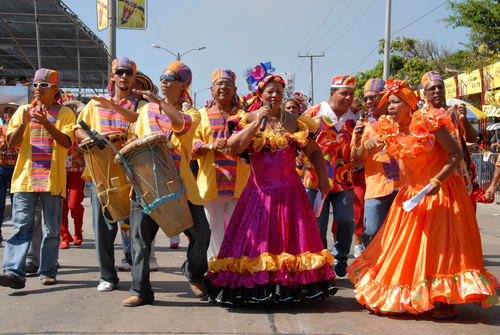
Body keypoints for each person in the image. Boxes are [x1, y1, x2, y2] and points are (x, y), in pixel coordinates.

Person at [347, 80, 499, 318]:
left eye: (395, 102)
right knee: (409, 250)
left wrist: (437, 181)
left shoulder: (430, 122)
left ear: (410, 104)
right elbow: (358, 157)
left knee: (440, 247)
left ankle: (445, 300)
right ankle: (414, 296)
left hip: (442, 192)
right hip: (411, 195)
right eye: (387, 103)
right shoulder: (388, 128)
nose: (389, 108)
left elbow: (455, 153)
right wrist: (358, 142)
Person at [207, 70, 336, 306]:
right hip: (258, 193)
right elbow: (234, 148)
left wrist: (324, 179)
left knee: (291, 242)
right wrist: (257, 122)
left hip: (291, 192)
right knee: (258, 244)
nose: (275, 95)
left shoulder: (296, 121)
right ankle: (257, 288)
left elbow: (314, 151)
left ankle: (288, 287)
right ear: (261, 94)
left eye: (279, 91)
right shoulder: (247, 118)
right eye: (270, 91)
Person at [122, 61, 210, 307]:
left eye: (170, 78)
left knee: (202, 234)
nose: (164, 81)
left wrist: (159, 102)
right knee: (140, 240)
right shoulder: (146, 110)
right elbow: (135, 140)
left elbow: (182, 125)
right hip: (147, 185)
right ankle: (141, 290)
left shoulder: (192, 112)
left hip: (181, 185)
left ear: (183, 84)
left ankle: (193, 273)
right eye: (162, 76)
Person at [0, 68, 75, 288]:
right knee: (21, 226)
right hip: (25, 179)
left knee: (52, 230)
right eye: (35, 84)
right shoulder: (23, 110)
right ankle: (13, 272)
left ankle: (48, 270)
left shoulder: (65, 114)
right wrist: (23, 123)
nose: (37, 89)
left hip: (52, 181)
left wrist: (47, 123)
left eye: (43, 85)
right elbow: (11, 143)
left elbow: (67, 143)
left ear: (55, 89)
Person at [75, 57, 144, 292]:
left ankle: (138, 275)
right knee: (104, 227)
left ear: (134, 77)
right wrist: (92, 140)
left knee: (134, 227)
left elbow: (143, 130)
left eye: (129, 73)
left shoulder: (139, 106)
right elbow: (77, 129)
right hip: (101, 174)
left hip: (131, 175)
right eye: (120, 72)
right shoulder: (95, 105)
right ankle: (107, 276)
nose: (124, 76)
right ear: (113, 76)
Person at [192, 68, 250, 259]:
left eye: (228, 84)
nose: (223, 87)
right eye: (219, 84)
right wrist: (210, 146)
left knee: (239, 228)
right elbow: (193, 145)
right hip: (211, 183)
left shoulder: (244, 116)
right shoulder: (201, 115)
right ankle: (214, 267)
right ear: (211, 89)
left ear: (234, 89)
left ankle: (235, 266)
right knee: (213, 229)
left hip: (240, 183)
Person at [303, 75, 356, 277]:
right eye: (344, 94)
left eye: (351, 94)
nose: (348, 98)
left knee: (345, 220)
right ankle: (322, 264)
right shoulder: (314, 113)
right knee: (318, 224)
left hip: (344, 178)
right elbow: (300, 140)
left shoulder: (356, 115)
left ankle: (341, 255)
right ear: (332, 93)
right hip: (316, 178)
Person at [352, 78, 399, 250]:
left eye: (373, 97)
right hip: (376, 187)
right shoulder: (362, 126)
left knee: (399, 234)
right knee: (371, 230)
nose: (369, 102)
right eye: (366, 98)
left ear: (385, 96)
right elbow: (356, 159)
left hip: (403, 187)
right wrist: (363, 145)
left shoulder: (400, 120)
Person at [60, 102, 86, 249]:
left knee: (74, 204)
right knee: (61, 206)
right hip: (60, 171)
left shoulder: (80, 128)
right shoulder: (59, 127)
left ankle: (78, 232)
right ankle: (64, 237)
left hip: (77, 171)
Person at [0, 103, 19, 246]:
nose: (8, 114)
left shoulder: (20, 129)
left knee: (17, 203)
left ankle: (17, 233)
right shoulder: (1, 128)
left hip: (16, 168)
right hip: (1, 167)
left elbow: (17, 144)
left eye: (11, 112)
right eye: (6, 112)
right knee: (0, 203)